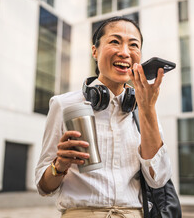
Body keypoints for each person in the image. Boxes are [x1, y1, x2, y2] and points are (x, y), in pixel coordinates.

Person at [35, 16, 172, 218]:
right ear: (95, 51)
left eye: (133, 45)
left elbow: (158, 179)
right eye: (115, 41)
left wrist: (147, 108)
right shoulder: (63, 104)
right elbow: (43, 187)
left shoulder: (144, 109)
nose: (124, 52)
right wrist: (59, 165)